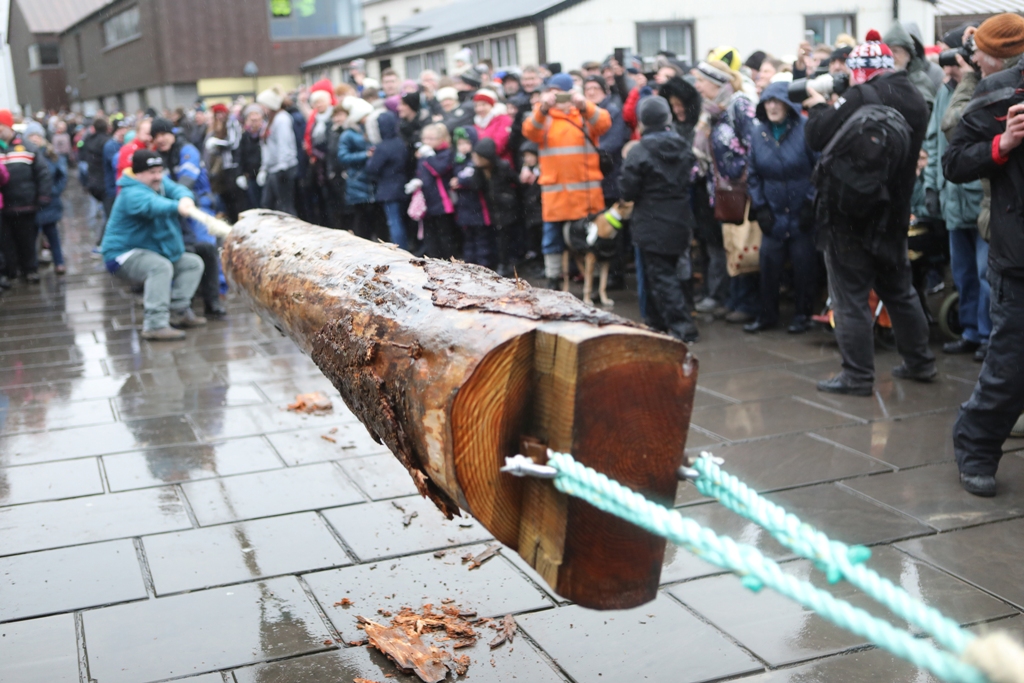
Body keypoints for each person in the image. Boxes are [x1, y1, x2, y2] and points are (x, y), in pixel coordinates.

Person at [804, 30, 934, 396]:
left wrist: (818, 105)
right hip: (894, 212)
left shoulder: (860, 95)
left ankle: (857, 376)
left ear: (859, 70)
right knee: (899, 291)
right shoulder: (915, 97)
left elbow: (816, 136)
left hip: (850, 215)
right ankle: (920, 362)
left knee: (849, 296)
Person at [942, 12, 1024, 497]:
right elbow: (955, 161)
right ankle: (974, 447)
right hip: (1017, 256)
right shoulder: (999, 93)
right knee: (1010, 364)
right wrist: (1003, 143)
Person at [923, 24, 988, 361]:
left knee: (985, 272)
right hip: (953, 199)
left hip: (979, 198)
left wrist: (969, 78)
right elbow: (935, 142)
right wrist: (932, 187)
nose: (948, 64)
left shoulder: (979, 85)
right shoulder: (943, 90)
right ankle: (971, 331)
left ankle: (988, 335)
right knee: (962, 274)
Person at [101, 150, 206, 341]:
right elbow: (155, 205)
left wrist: (185, 198)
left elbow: (177, 189)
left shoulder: (159, 182)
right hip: (122, 254)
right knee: (159, 267)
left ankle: (178, 311)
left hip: (151, 250)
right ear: (138, 173)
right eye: (152, 172)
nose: (158, 177)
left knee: (192, 263)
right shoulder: (131, 193)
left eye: (160, 171)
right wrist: (178, 207)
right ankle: (155, 324)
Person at [620, 96, 700, 343]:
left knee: (661, 276)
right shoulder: (683, 146)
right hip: (679, 219)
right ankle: (661, 322)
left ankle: (682, 327)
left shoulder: (639, 151)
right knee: (676, 272)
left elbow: (627, 190)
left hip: (652, 222)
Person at [521, 72, 611, 287]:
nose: (556, 97)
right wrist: (543, 108)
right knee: (552, 240)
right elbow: (529, 131)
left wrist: (585, 104)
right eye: (552, 92)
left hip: (585, 192)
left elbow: (604, 124)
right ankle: (553, 278)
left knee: (591, 239)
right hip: (556, 192)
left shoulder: (583, 113)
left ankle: (595, 281)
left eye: (560, 93)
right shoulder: (544, 115)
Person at [744, 81, 818, 334]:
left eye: (778, 101)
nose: (773, 106)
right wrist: (760, 207)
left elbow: (819, 168)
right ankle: (767, 316)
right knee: (768, 267)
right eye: (768, 101)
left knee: (804, 266)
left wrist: (811, 202)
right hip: (773, 213)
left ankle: (803, 315)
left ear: (789, 105)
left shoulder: (806, 129)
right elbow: (752, 174)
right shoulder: (758, 133)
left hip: (800, 211)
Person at [692, 59, 759, 323]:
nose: (697, 86)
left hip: (739, 190)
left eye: (701, 81)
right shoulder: (712, 110)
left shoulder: (739, 105)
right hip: (719, 190)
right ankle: (732, 298)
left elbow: (753, 146)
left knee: (742, 244)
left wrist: (739, 173)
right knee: (728, 244)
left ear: (716, 83)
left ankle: (746, 303)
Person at [150, 117, 225, 318]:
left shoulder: (187, 151)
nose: (161, 139)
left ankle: (216, 297)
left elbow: (186, 181)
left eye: (164, 134)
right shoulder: (158, 157)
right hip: (178, 209)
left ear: (172, 134)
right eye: (156, 136)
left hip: (199, 207)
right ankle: (188, 297)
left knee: (207, 247)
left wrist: (176, 199)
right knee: (185, 252)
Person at [0, 110, 52, 284]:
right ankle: (12, 270)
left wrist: (43, 196)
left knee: (27, 240)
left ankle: (30, 269)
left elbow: (42, 173)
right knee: (7, 242)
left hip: (25, 203)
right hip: (3, 206)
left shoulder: (28, 147)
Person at [408, 123, 457, 259]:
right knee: (429, 234)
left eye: (431, 139)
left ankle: (449, 260)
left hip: (442, 201)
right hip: (426, 200)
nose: (427, 142)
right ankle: (434, 259)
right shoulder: (423, 154)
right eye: (425, 139)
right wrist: (416, 181)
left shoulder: (446, 153)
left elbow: (439, 170)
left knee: (445, 234)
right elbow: (421, 172)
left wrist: (429, 156)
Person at [337, 96, 381, 240]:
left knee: (374, 220)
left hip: (370, 182)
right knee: (361, 221)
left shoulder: (369, 131)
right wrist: (365, 154)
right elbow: (343, 157)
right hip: (358, 181)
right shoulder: (348, 135)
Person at [26, 124, 67, 275]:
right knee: (32, 237)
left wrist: (54, 191)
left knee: (52, 234)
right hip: (32, 202)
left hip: (50, 202)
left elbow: (61, 176)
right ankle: (32, 266)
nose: (35, 139)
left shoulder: (51, 154)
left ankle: (59, 262)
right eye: (31, 136)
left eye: (37, 135)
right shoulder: (26, 154)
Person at [364, 111, 409, 249]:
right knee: (401, 220)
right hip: (402, 184)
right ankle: (405, 246)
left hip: (388, 187)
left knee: (394, 221)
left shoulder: (383, 147)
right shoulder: (400, 142)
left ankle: (400, 249)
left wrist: (371, 157)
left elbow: (372, 168)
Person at [256, 87, 299, 215]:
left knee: (284, 206)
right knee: (267, 204)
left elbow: (284, 144)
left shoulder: (282, 119)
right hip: (272, 168)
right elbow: (266, 146)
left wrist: (282, 166)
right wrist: (264, 168)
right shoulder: (270, 120)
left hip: (283, 168)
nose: (261, 108)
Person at [882, 22, 943, 107]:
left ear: (908, 56)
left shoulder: (919, 80)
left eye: (896, 51)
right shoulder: (879, 79)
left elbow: (924, 107)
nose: (892, 56)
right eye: (888, 51)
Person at [472, 89, 513, 164]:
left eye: (483, 105)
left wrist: (481, 155)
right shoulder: (477, 123)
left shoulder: (503, 119)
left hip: (500, 163)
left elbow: (500, 143)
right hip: (481, 164)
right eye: (476, 105)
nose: (479, 109)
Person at [237, 105, 264, 210]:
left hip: (263, 173)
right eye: (251, 118)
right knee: (254, 204)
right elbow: (240, 155)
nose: (254, 121)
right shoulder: (245, 136)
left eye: (256, 117)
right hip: (251, 176)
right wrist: (240, 174)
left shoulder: (264, 134)